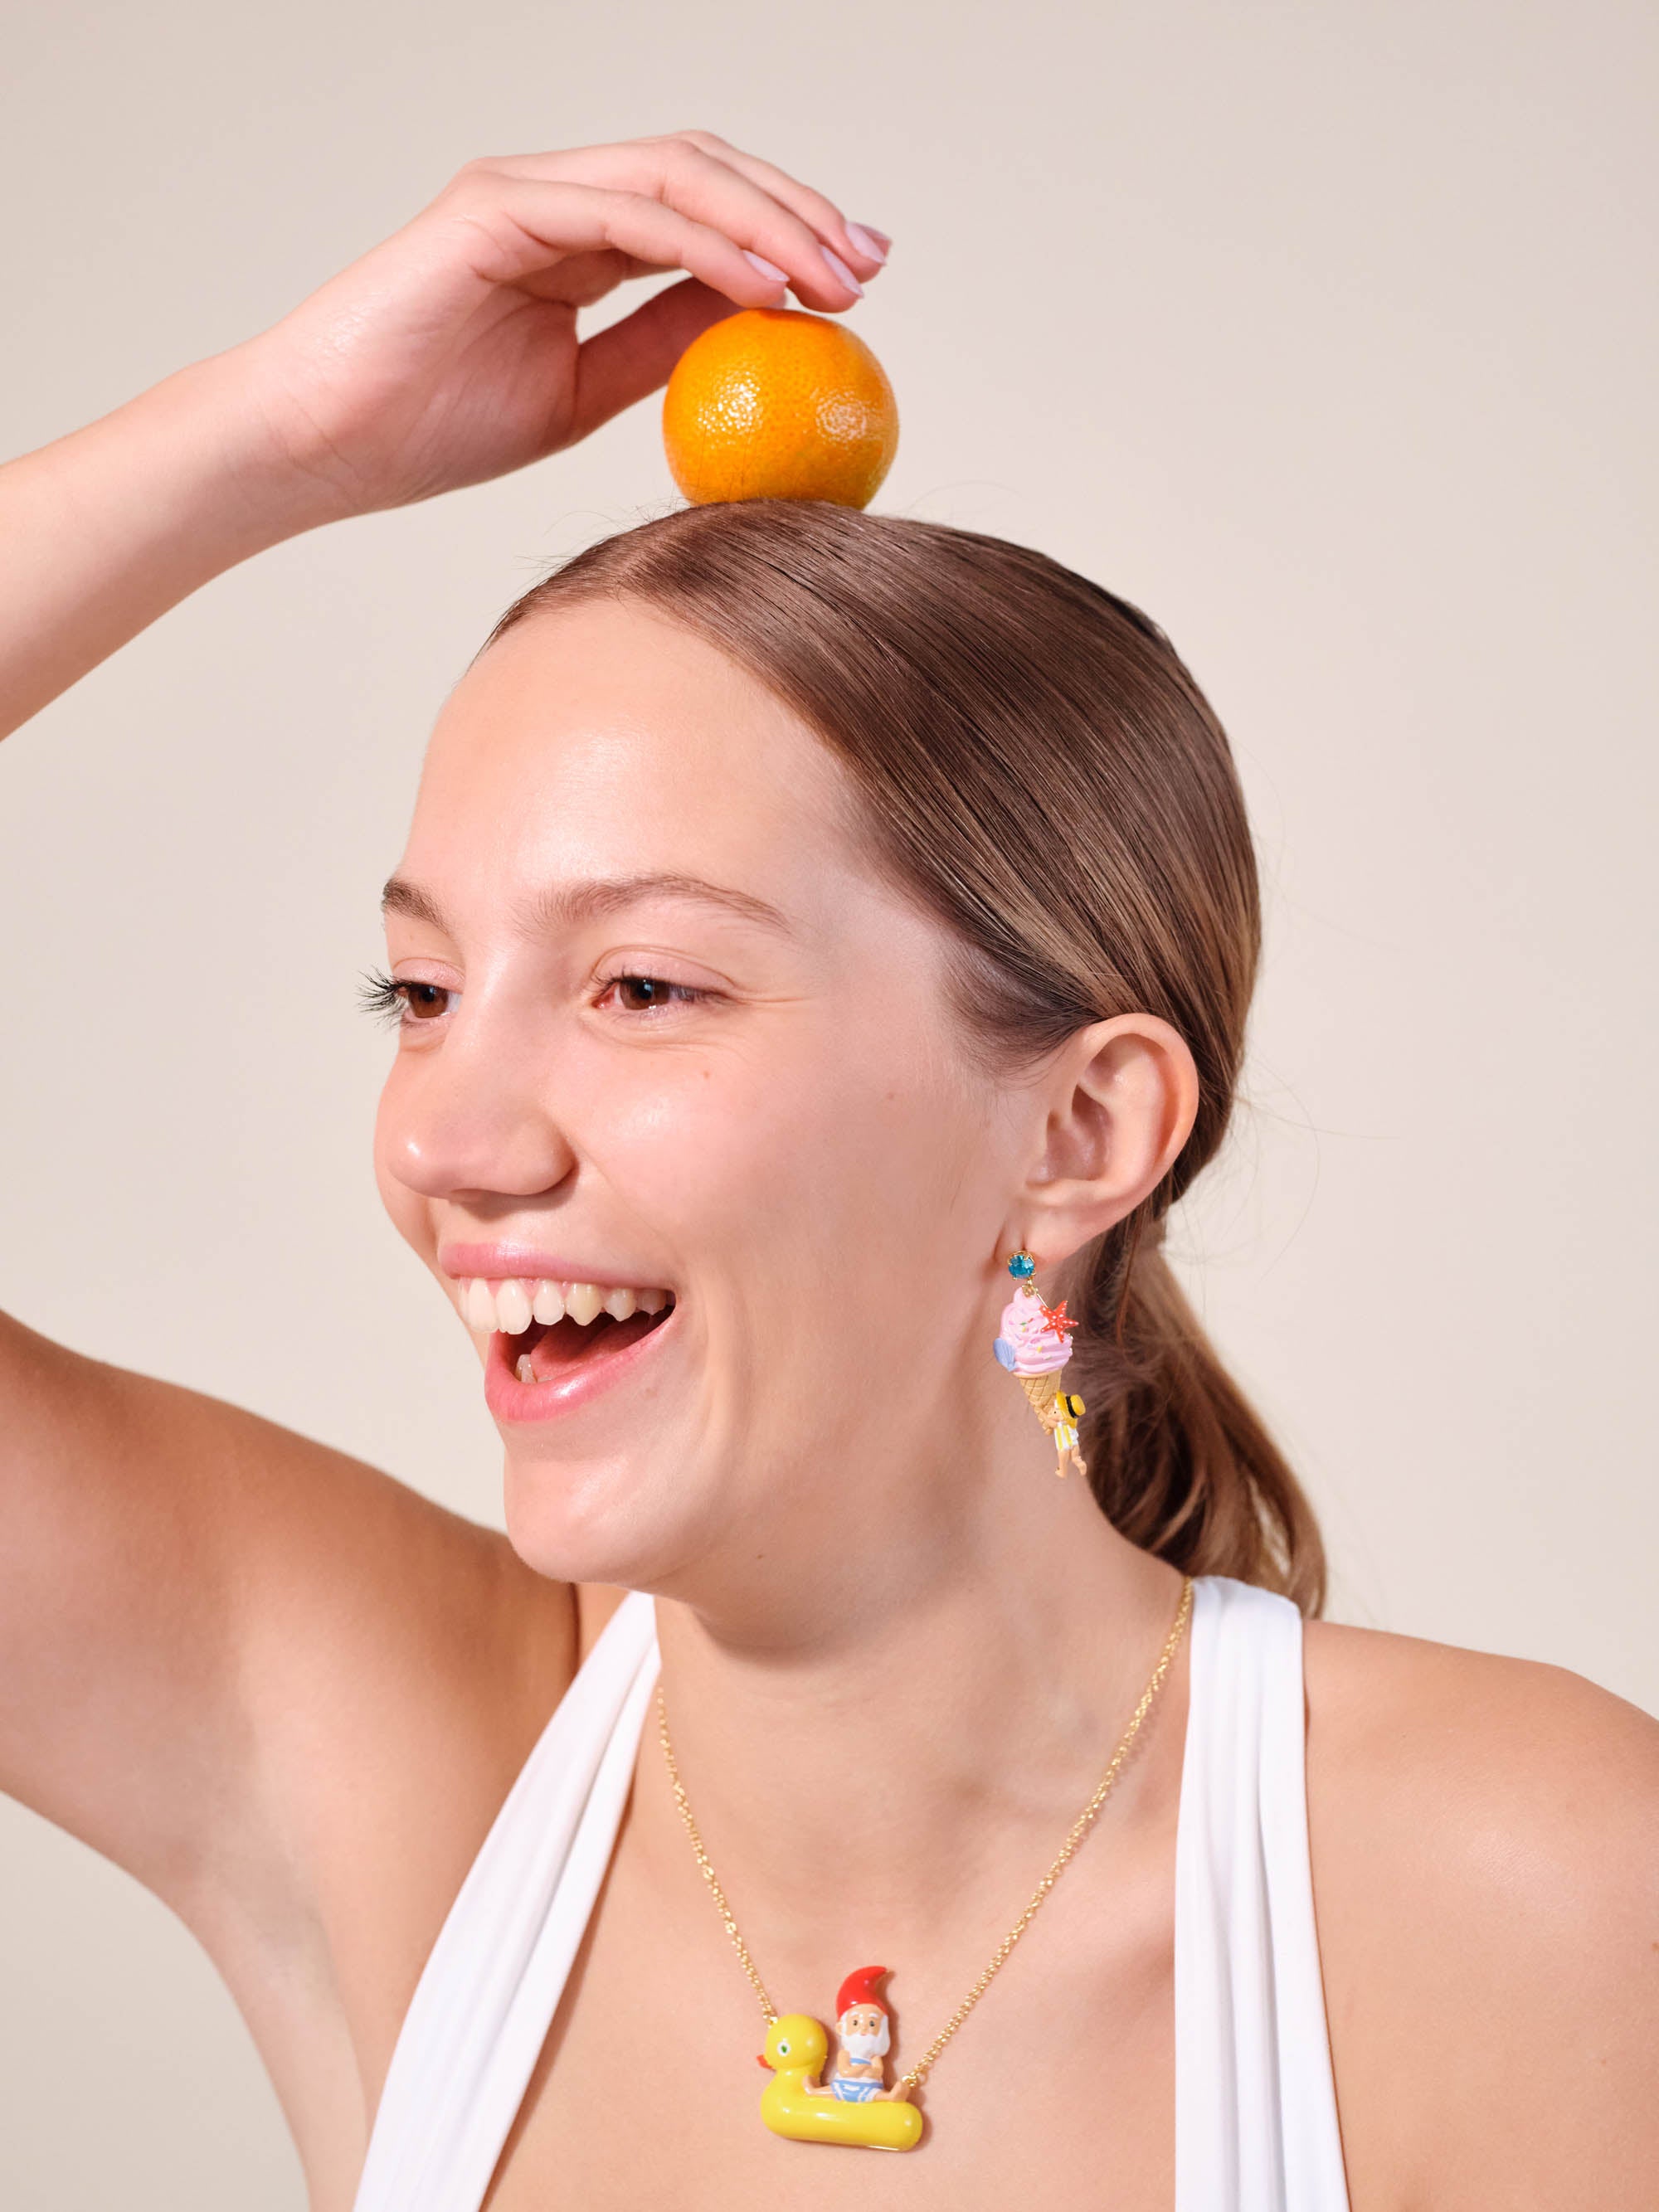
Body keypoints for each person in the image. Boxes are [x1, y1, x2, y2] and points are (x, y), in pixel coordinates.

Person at [1, 131, 1655, 2210]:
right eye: (417, 990)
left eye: (644, 985)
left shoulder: (1526, 1890)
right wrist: (278, 435)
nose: (443, 1140)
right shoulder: (396, 1757)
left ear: (1077, 1131)